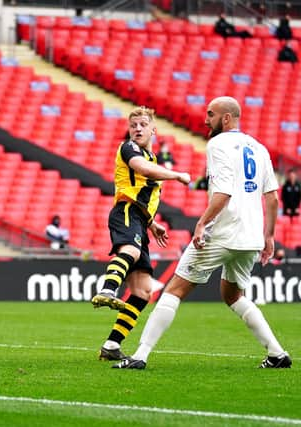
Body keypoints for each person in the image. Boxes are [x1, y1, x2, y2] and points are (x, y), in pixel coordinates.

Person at [113, 96, 291, 370]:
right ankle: (277, 353)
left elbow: (223, 193)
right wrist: (268, 236)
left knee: (173, 290)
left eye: (211, 114)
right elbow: (272, 198)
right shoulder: (259, 147)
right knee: (233, 295)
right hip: (251, 236)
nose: (206, 120)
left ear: (227, 118)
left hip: (222, 231)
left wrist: (201, 223)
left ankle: (140, 355)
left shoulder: (218, 144)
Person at [90, 106, 191, 361]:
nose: (137, 129)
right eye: (133, 125)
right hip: (125, 211)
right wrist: (177, 174)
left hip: (139, 219)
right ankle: (108, 288)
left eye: (142, 125)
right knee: (131, 252)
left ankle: (111, 346)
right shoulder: (129, 149)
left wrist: (152, 223)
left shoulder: (152, 158)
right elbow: (142, 170)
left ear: (153, 130)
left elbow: (146, 192)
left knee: (143, 291)